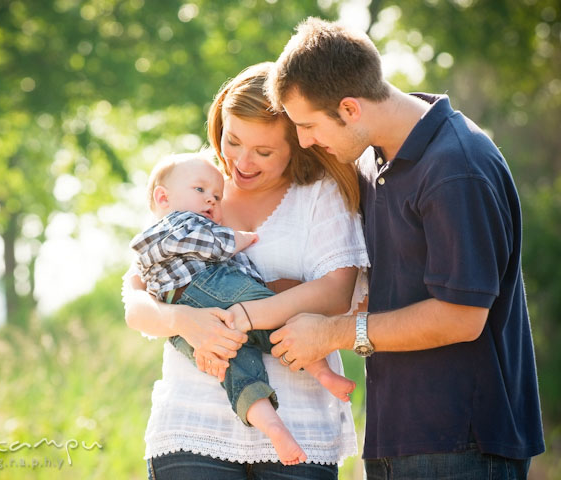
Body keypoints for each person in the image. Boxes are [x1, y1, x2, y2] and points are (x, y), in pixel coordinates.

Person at [265, 17, 545, 479]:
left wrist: (335, 332)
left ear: (351, 109)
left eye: (308, 125)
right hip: (400, 437)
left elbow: (462, 316)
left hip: (465, 443)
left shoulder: (457, 167)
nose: (304, 140)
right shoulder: (375, 161)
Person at [122, 62, 369, 479]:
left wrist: (245, 314)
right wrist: (185, 319)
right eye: (232, 140)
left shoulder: (318, 196)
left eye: (264, 151)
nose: (241, 162)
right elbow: (137, 301)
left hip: (300, 422)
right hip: (192, 422)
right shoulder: (196, 185)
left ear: (298, 144)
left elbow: (335, 293)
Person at [130, 151, 357, 465]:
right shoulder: (174, 225)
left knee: (240, 370)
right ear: (162, 198)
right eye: (201, 191)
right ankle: (316, 378)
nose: (211, 200)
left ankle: (275, 422)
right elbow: (140, 298)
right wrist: (236, 239)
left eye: (217, 196)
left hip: (205, 308)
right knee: (277, 319)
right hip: (201, 290)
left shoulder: (316, 194)